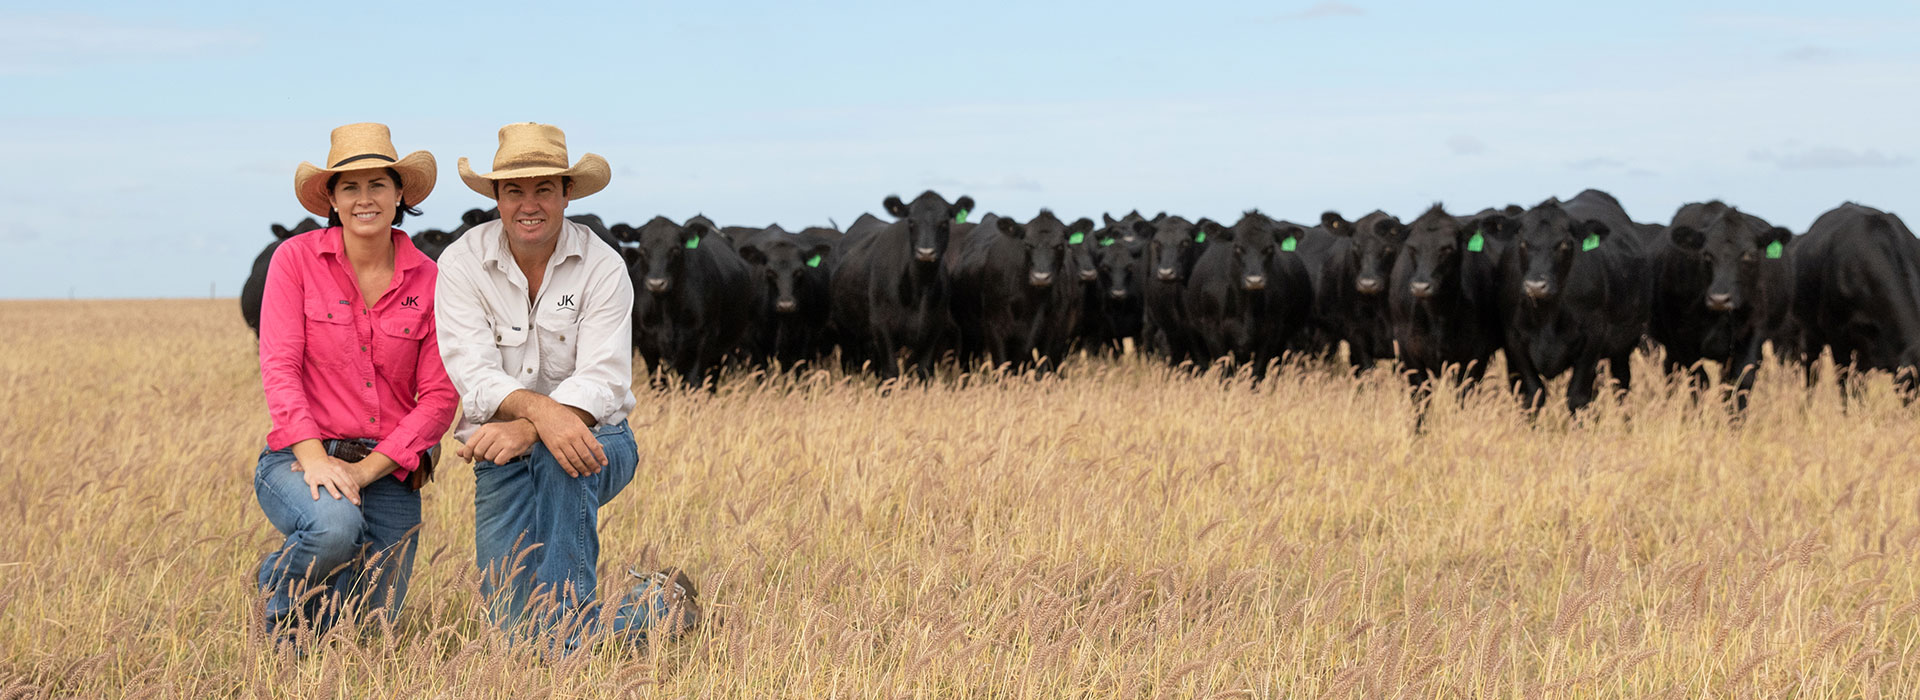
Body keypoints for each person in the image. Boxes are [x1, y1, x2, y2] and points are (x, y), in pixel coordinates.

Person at [435, 122, 697, 646]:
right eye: (514, 191)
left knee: (561, 456)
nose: (529, 205)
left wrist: (532, 428)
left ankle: (566, 630)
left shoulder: (603, 265)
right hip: (500, 455)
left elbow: (603, 379)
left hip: (600, 440)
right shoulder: (461, 263)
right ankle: (661, 606)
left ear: (567, 193)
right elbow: (473, 373)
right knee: (510, 635)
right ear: (496, 196)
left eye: (544, 190)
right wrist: (541, 416)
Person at [255, 123, 457, 642]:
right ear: (332, 198)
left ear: (400, 194)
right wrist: (317, 460)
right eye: (350, 187)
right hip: (300, 455)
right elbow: (280, 368)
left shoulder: (431, 280)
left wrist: (365, 472)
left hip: (387, 465)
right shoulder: (295, 260)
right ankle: (279, 612)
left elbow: (439, 397)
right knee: (334, 529)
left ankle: (307, 605)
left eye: (377, 185)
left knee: (372, 626)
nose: (364, 199)